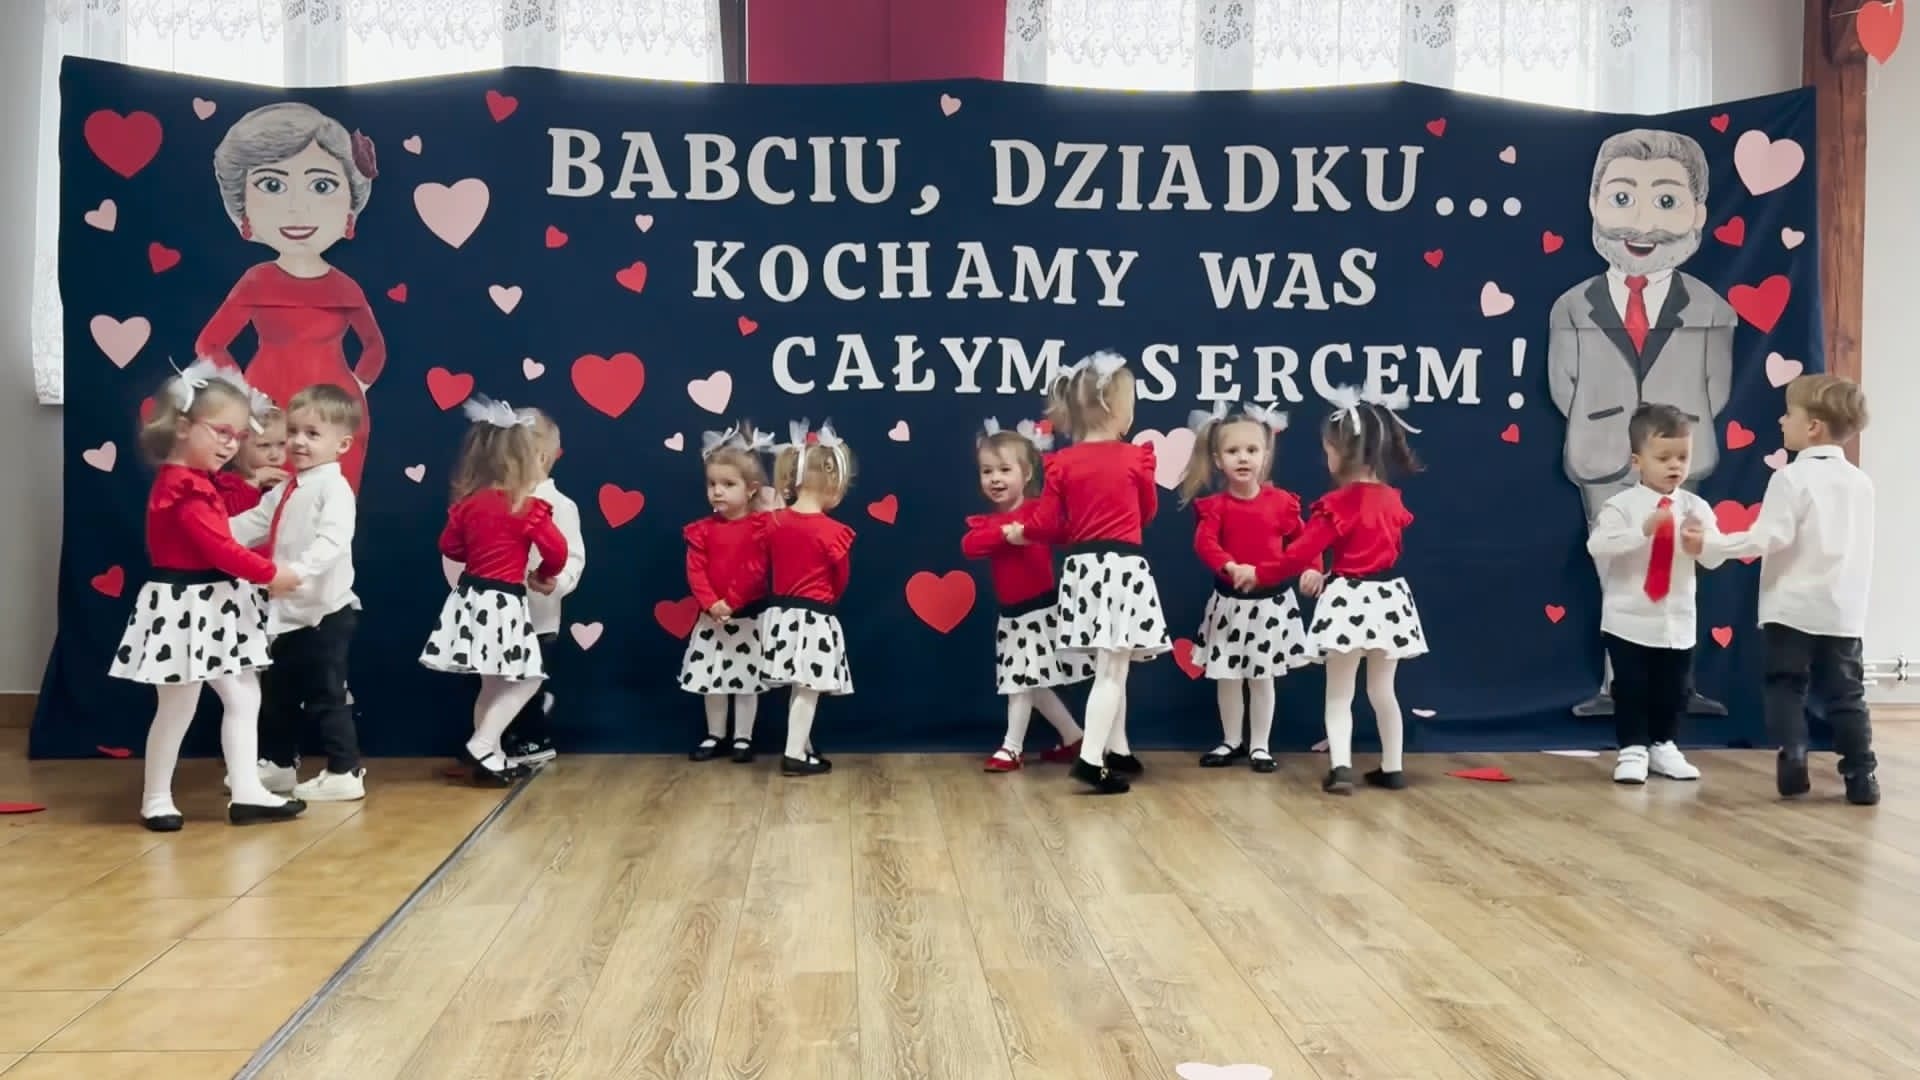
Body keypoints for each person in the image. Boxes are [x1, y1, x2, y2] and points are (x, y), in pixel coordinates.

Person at [1547, 128, 1737, 718]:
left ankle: (1678, 683)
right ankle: (1618, 684)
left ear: (1698, 213)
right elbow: (1563, 384)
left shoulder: (1711, 307)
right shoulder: (1572, 306)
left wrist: (1674, 431)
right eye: (1623, 198)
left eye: (1667, 201)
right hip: (1602, 451)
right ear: (1594, 202)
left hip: (1680, 452)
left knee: (1680, 565)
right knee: (1614, 566)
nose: (1643, 223)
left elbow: (1717, 386)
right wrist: (1607, 422)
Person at [109, 359, 305, 830]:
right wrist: (270, 574)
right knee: (178, 706)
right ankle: (156, 798)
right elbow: (219, 546)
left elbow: (226, 524)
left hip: (212, 605)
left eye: (238, 436)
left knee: (243, 695)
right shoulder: (183, 489)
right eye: (221, 432)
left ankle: (247, 790)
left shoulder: (201, 483)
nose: (231, 444)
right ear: (183, 427)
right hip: (185, 607)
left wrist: (256, 493)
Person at [199, 102, 386, 492]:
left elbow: (375, 346)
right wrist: (246, 395)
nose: (298, 208)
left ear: (349, 207)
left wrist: (356, 387)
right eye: (273, 185)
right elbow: (209, 343)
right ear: (243, 207)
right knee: (267, 511)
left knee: (330, 509)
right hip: (269, 415)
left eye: (321, 186)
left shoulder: (345, 285)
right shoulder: (257, 280)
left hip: (334, 417)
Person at [1006, 351, 1169, 795]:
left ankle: (1117, 748)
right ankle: (1092, 759)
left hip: (1082, 570)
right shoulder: (1135, 458)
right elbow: (1147, 513)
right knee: (1112, 671)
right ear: (1117, 408)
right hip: (1122, 568)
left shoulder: (1062, 462)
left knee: (1110, 664)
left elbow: (1046, 523)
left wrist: (1023, 532)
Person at [1713, 375, 1878, 805]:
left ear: (1813, 427)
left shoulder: (1791, 478)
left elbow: (1769, 537)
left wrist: (1713, 546)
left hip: (1790, 608)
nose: (1781, 421)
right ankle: (1861, 773)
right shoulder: (1861, 483)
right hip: (1842, 611)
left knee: (1786, 684)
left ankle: (1794, 753)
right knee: (1847, 694)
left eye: (1789, 414)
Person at [1257, 384, 1427, 794]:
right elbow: (1381, 552)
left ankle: (1341, 768)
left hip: (1349, 601)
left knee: (1339, 694)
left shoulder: (1338, 504)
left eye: (1328, 449)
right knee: (1383, 691)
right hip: (1388, 600)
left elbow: (1298, 554)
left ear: (1341, 452)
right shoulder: (1391, 500)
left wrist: (1259, 573)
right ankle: (1392, 767)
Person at [420, 396, 567, 785]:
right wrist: (545, 574)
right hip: (504, 602)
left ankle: (492, 756)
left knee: (490, 683)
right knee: (529, 679)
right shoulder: (527, 507)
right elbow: (557, 550)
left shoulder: (469, 505)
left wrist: (480, 546)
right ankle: (483, 744)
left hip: (470, 600)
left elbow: (449, 546)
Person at [228, 383, 364, 801]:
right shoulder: (290, 487)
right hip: (287, 614)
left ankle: (345, 771)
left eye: (312, 434)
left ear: (342, 445)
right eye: (294, 432)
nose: (299, 442)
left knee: (326, 694)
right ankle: (280, 764)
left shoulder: (333, 489)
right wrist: (208, 534)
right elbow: (254, 523)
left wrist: (297, 571)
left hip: (324, 613)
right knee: (278, 694)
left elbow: (333, 542)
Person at [1585, 404, 1729, 784]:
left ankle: (1664, 745)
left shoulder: (1696, 507)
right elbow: (1597, 546)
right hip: (1628, 619)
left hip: (1676, 620)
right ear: (1637, 461)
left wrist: (1702, 544)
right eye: (1664, 458)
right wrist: (1643, 531)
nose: (1674, 466)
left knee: (1674, 687)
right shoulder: (1621, 506)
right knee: (1631, 686)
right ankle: (1632, 748)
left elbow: (1715, 557)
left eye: (1682, 457)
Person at [1178, 400, 1315, 773]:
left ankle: (1260, 746)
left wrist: (1312, 569)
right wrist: (1230, 565)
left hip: (1270, 607)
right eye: (1233, 451)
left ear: (1265, 455)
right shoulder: (1216, 506)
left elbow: (1306, 542)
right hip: (1229, 605)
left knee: (1261, 677)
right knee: (1227, 676)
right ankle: (1231, 740)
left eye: (1252, 450)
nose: (1243, 458)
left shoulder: (1282, 503)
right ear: (1218, 459)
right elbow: (1205, 543)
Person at [960, 417, 1087, 772]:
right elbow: (970, 545)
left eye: (1004, 470)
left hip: (1041, 612)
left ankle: (1011, 748)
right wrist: (1006, 534)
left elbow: (1063, 531)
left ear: (1027, 474)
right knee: (1034, 684)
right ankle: (1075, 737)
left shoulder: (1036, 513)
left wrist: (1030, 531)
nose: (995, 479)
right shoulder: (989, 523)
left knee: (1021, 683)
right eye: (987, 472)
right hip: (1013, 616)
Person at [753, 420, 857, 776]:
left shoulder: (772, 523)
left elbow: (758, 564)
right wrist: (829, 604)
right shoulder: (834, 531)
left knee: (801, 687)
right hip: (815, 617)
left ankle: (803, 746)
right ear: (833, 482)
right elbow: (841, 578)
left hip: (780, 616)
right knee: (808, 688)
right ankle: (794, 753)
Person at [680, 423, 774, 764]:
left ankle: (743, 738)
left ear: (751, 489)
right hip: (713, 619)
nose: (717, 491)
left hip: (746, 617)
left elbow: (756, 570)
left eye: (728, 484)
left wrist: (731, 602)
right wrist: (711, 604)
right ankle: (715, 734)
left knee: (746, 680)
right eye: (712, 484)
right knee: (713, 679)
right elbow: (696, 570)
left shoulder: (761, 527)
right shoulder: (702, 530)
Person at [501, 409, 585, 770]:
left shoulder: (560, 506)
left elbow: (574, 557)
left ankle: (534, 737)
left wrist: (556, 583)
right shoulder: (497, 501)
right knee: (497, 678)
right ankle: (496, 739)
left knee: (528, 677)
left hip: (538, 613)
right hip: (496, 613)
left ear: (543, 458)